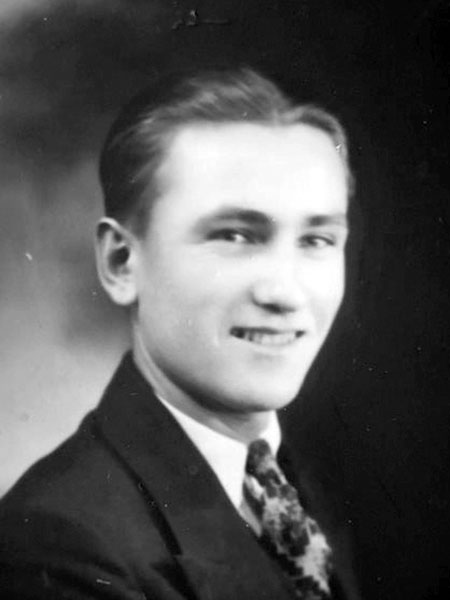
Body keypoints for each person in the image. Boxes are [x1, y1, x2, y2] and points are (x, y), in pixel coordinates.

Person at [0, 68, 360, 599]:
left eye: (317, 240)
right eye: (234, 235)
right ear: (122, 263)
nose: (286, 292)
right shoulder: (60, 545)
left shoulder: (299, 484)